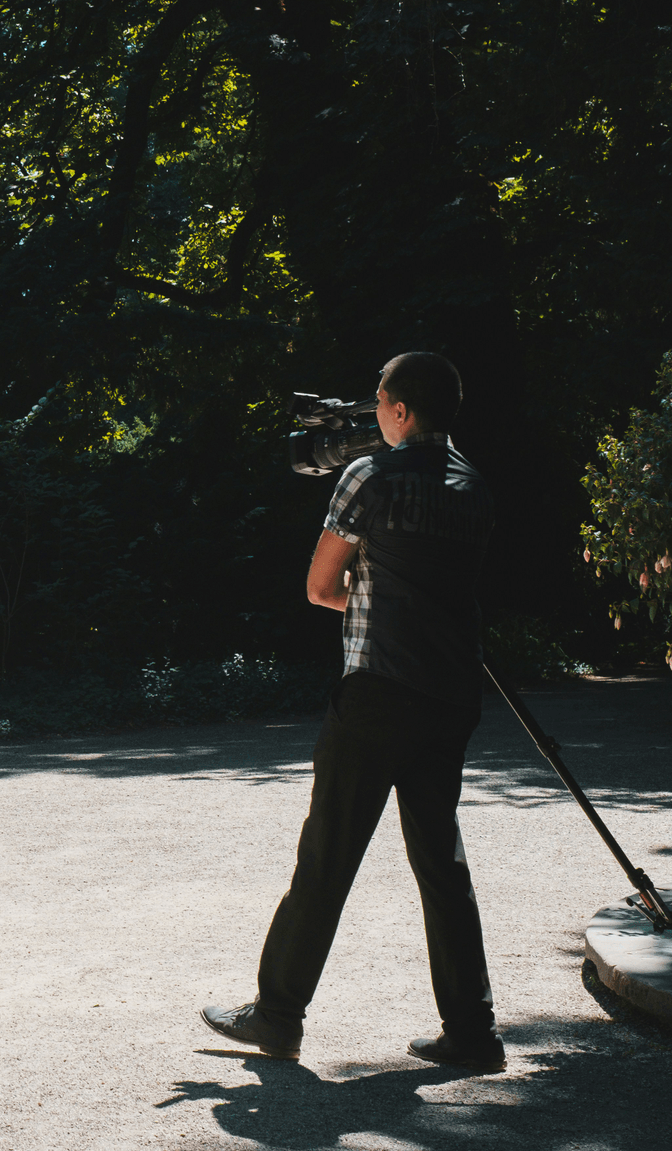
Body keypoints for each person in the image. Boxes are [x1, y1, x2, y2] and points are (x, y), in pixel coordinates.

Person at [202, 352, 503, 1071]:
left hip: (377, 695)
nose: (373, 415)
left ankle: (277, 1016)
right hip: (450, 693)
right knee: (442, 862)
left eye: (378, 404)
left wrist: (370, 604)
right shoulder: (475, 486)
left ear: (399, 410)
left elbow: (319, 584)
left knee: (328, 855)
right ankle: (472, 1032)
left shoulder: (369, 475)